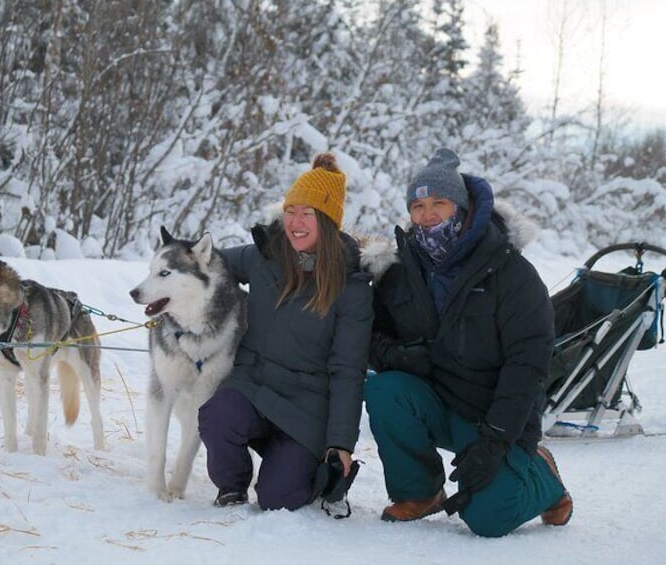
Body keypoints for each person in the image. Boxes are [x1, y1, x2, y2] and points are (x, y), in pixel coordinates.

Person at [362, 148, 573, 537]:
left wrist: (497, 438)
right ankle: (421, 492)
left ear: (460, 207)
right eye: (418, 205)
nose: (427, 215)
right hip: (438, 402)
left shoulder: (509, 272)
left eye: (438, 203)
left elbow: (528, 362)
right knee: (384, 389)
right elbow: (371, 334)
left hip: (493, 415)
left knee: (489, 519)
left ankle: (543, 478)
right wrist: (395, 355)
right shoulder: (401, 270)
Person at [198, 152, 373, 511]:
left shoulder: (352, 289)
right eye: (291, 211)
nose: (295, 222)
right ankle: (231, 486)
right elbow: (207, 265)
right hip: (253, 384)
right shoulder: (266, 256)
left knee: (279, 498)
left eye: (307, 214)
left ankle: (305, 471)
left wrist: (340, 442)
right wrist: (172, 282)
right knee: (217, 416)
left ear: (327, 222)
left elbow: (347, 371)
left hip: (306, 406)